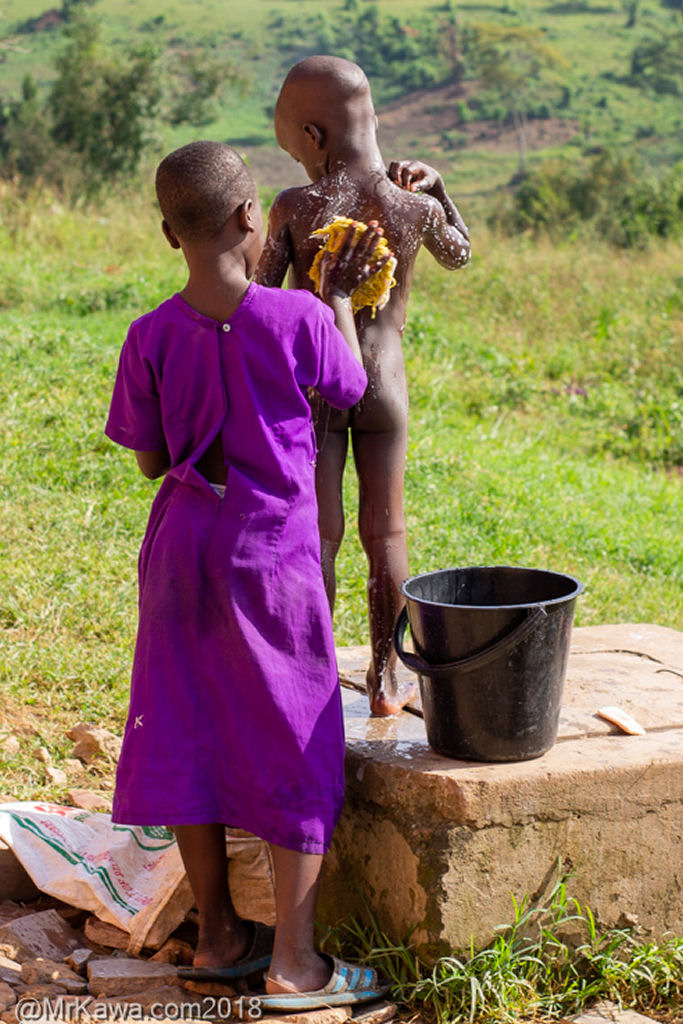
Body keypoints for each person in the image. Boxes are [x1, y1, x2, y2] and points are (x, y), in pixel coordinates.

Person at [105, 140, 390, 1007]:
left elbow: (151, 461)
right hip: (269, 559)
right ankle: (297, 964)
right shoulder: (298, 320)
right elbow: (349, 390)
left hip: (181, 550)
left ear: (167, 235)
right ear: (245, 219)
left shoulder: (149, 333)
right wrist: (334, 298)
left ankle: (221, 932)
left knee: (185, 721)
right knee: (292, 734)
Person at [255, 55, 471, 718]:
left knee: (321, 531)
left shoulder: (297, 206)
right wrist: (440, 192)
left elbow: (261, 293)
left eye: (288, 139)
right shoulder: (410, 206)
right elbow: (460, 251)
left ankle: (313, 673)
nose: (290, 152)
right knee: (387, 532)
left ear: (313, 138)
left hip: (319, 382)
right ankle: (384, 678)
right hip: (386, 384)